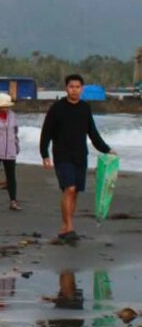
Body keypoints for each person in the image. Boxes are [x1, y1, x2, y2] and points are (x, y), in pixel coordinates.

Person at [39, 74, 115, 242]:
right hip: (62, 156)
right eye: (71, 86)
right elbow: (46, 132)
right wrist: (44, 154)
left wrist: (107, 149)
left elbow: (93, 133)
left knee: (75, 193)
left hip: (80, 156)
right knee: (69, 188)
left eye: (77, 87)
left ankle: (65, 228)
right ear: (66, 88)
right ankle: (69, 226)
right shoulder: (57, 108)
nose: (74, 89)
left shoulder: (85, 108)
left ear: (82, 89)